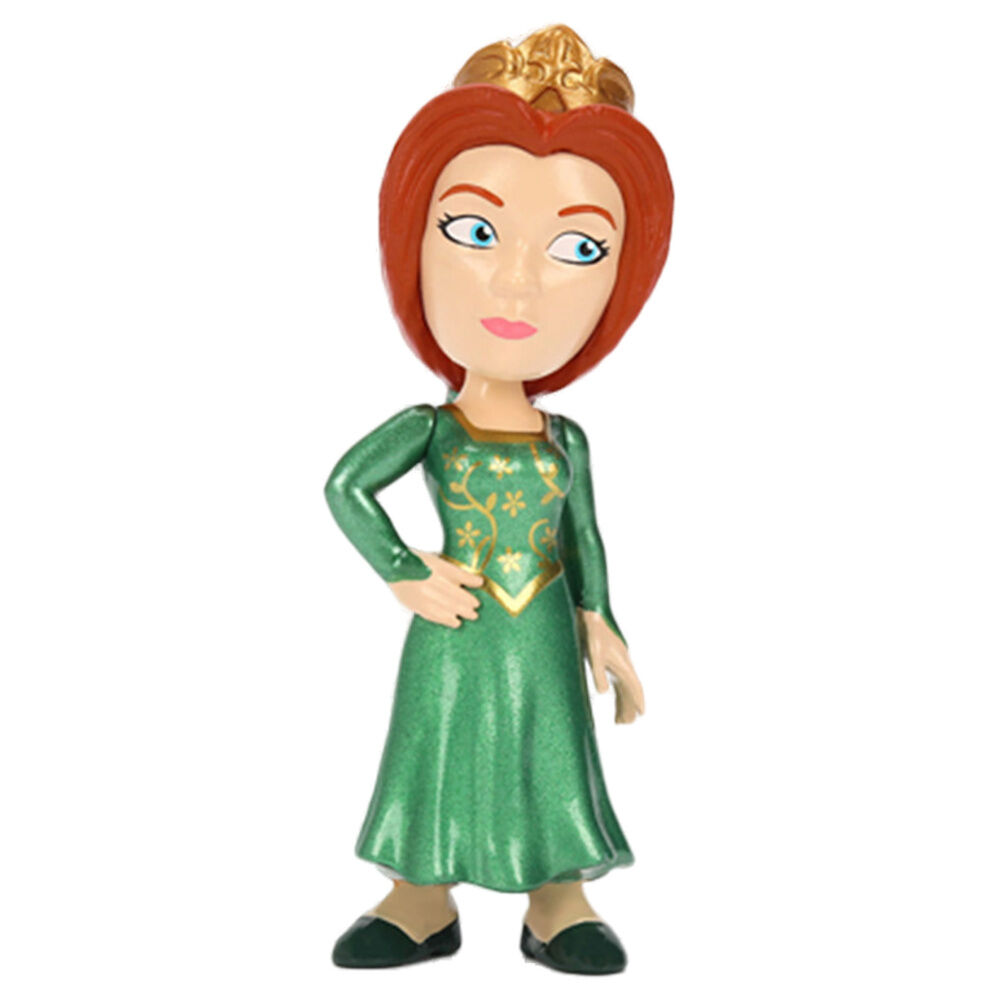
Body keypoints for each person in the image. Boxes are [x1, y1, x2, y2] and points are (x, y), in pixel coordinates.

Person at [325, 24, 674, 975]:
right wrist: (403, 570)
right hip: (458, 616)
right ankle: (418, 893)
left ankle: (557, 895)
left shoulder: (567, 439)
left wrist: (602, 622)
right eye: (475, 233)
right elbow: (346, 485)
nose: (518, 283)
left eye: (576, 247)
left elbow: (585, 535)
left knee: (552, 745)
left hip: (543, 623)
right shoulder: (431, 428)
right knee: (435, 743)